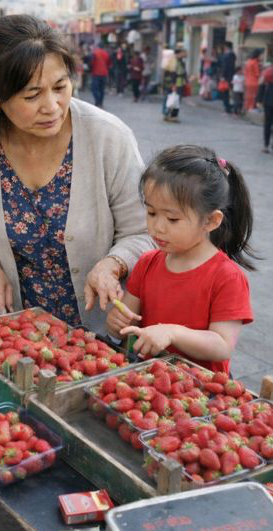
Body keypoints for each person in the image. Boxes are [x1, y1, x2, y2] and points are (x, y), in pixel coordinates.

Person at [0, 15, 153, 332]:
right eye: (32, 95)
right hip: (10, 332)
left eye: (60, 86)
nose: (52, 106)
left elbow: (143, 231)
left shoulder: (107, 137)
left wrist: (112, 264)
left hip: (98, 337)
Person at [106, 145, 255, 375]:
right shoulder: (147, 263)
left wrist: (172, 333)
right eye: (152, 213)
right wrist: (118, 323)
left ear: (211, 221)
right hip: (145, 380)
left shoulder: (227, 277)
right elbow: (128, 324)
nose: (157, 227)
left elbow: (222, 345)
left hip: (198, 390)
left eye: (173, 219)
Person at [163, 45, 187, 123]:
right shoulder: (174, 61)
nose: (185, 54)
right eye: (184, 52)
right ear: (179, 53)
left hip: (179, 83)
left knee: (175, 99)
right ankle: (171, 115)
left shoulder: (181, 61)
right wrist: (173, 85)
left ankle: (170, 115)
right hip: (175, 83)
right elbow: (173, 73)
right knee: (174, 99)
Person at [89, 41, 110, 107]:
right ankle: (100, 103)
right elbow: (109, 64)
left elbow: (91, 63)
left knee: (94, 89)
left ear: (98, 46)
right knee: (102, 89)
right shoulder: (106, 54)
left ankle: (97, 101)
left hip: (96, 73)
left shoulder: (95, 53)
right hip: (104, 73)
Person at [220, 42, 236, 113]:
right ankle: (228, 106)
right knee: (227, 92)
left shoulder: (228, 55)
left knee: (226, 91)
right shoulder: (232, 55)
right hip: (230, 76)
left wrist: (223, 76)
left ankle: (228, 107)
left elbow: (225, 67)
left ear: (226, 47)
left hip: (227, 77)